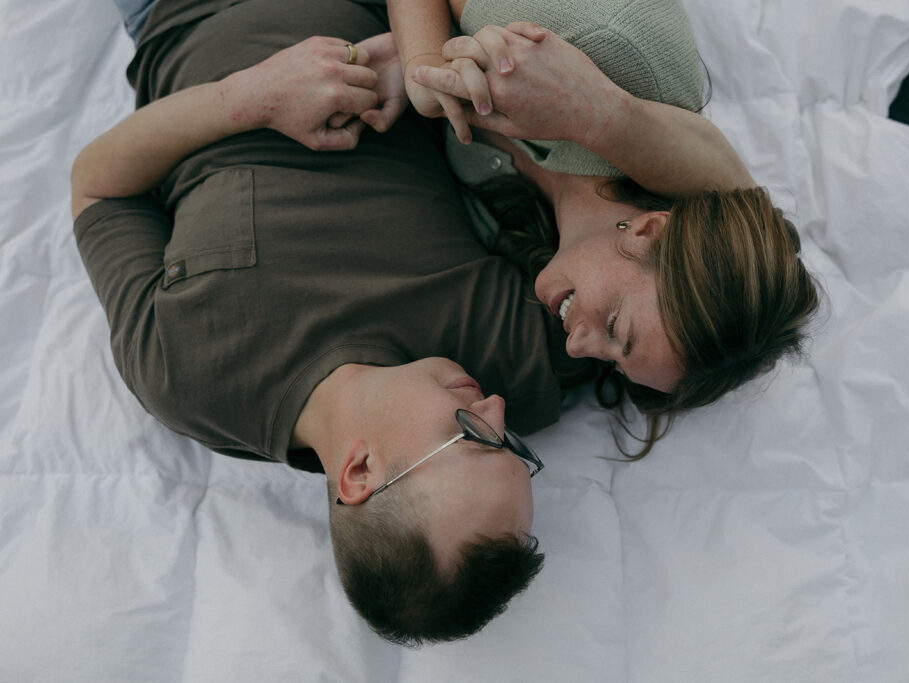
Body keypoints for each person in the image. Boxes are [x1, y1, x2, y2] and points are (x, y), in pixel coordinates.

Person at [73, 0, 592, 645]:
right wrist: (421, 53)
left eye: (471, 436)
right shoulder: (510, 353)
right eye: (513, 445)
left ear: (359, 473)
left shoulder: (191, 373)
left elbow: (97, 187)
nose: (494, 408)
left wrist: (250, 97)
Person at [387, 0, 821, 452]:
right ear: (647, 232)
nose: (576, 346)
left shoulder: (528, 240)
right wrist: (423, 63)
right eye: (615, 326)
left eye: (612, 362)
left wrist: (399, 56)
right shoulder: (608, 43)